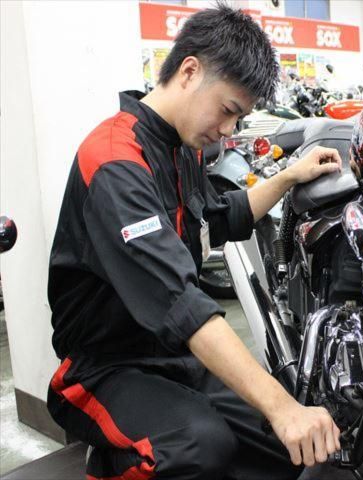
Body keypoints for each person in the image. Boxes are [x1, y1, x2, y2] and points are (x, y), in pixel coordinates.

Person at [46, 5, 343, 479]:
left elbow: (221, 217)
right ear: (189, 71)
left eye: (239, 118)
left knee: (286, 448)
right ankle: (112, 464)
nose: (228, 130)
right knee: (199, 446)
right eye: (228, 110)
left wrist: (290, 176)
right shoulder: (113, 160)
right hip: (103, 369)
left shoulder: (182, 151)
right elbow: (179, 300)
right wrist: (283, 407)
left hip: (172, 358)